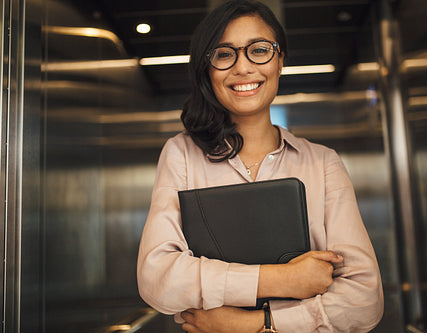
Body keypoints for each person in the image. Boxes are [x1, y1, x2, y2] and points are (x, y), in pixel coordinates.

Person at [137, 0, 384, 332]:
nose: (243, 68)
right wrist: (282, 279)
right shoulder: (181, 154)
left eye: (259, 50)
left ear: (280, 60)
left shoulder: (323, 163)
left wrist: (257, 323)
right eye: (224, 54)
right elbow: (157, 280)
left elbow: (364, 300)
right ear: (206, 70)